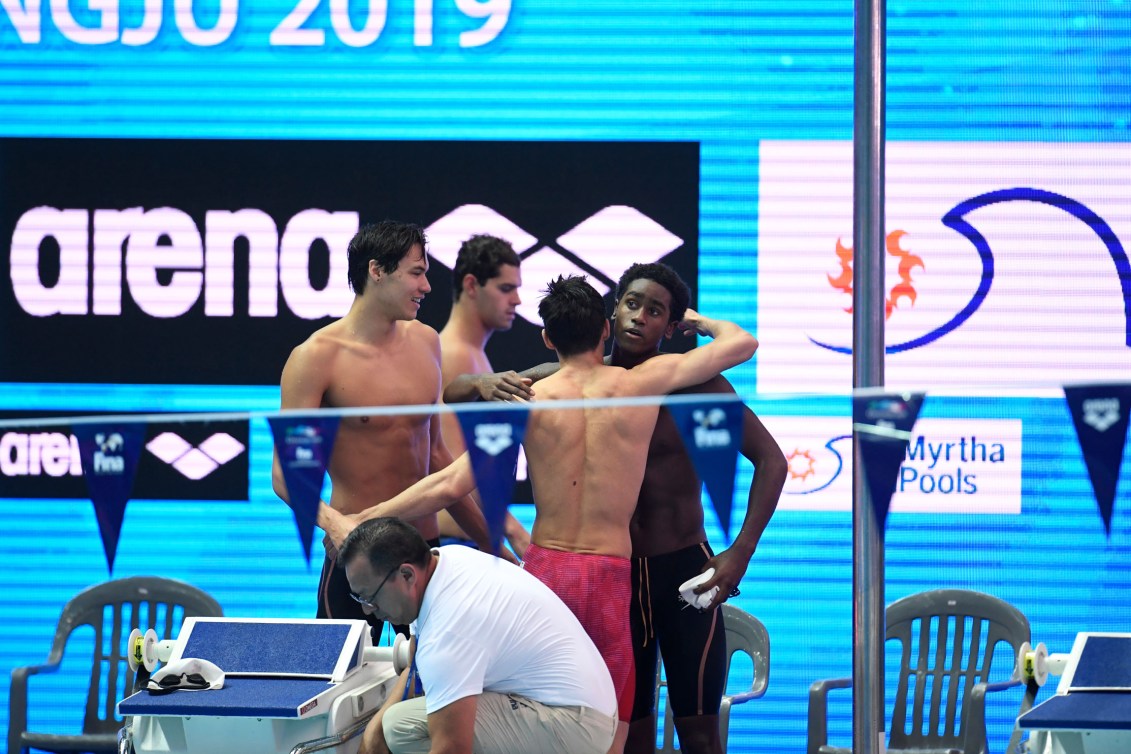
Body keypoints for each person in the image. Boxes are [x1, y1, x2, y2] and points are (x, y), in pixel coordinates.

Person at [347, 275, 759, 753]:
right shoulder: (643, 384)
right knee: (607, 725)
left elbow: (451, 484)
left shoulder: (527, 399)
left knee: (528, 708)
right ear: (605, 331)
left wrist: (368, 514)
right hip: (610, 575)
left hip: (547, 577)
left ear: (547, 339)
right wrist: (697, 321)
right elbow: (743, 343)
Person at [270, 220, 494, 641]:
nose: (426, 286)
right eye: (416, 272)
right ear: (376, 270)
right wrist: (337, 526)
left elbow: (438, 462)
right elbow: (285, 475)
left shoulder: (427, 342)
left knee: (434, 694)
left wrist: (494, 545)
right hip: (357, 554)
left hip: (426, 552)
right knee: (340, 692)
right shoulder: (316, 357)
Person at [606, 264, 787, 754]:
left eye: (655, 310)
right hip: (615, 575)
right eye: (632, 303)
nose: (639, 316)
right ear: (614, 307)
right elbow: (467, 391)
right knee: (629, 737)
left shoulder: (696, 387)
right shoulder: (586, 383)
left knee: (701, 738)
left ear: (671, 327)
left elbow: (771, 461)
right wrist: (482, 381)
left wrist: (739, 553)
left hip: (686, 573)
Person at [334, 515, 617, 754]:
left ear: (407, 575)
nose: (370, 611)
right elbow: (416, 662)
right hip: (576, 705)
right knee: (392, 724)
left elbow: (451, 748)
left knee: (406, 731)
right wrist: (373, 734)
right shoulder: (442, 563)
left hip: (577, 726)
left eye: (369, 597)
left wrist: (378, 735)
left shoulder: (449, 629)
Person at [434, 234, 533, 556]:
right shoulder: (453, 356)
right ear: (472, 285)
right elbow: (452, 469)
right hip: (457, 543)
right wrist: (516, 533)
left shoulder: (475, 357)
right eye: (506, 289)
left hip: (470, 539)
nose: (517, 300)